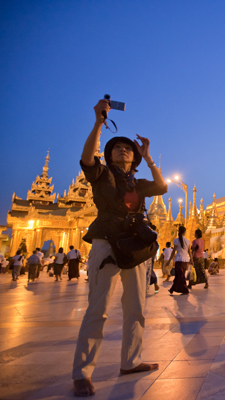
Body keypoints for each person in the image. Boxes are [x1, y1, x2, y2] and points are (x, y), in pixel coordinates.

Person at [72, 99, 167, 397]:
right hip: (106, 244)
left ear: (133, 157)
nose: (123, 150)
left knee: (136, 307)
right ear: (110, 155)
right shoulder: (101, 174)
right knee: (98, 310)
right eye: (117, 148)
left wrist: (149, 157)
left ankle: (131, 361)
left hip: (136, 246)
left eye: (128, 148)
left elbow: (162, 187)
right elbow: (87, 158)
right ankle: (82, 373)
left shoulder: (138, 182)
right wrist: (99, 122)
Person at [169, 226, 192, 295]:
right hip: (185, 261)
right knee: (180, 275)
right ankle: (173, 288)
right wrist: (191, 260)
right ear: (185, 232)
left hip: (178, 260)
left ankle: (184, 289)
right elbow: (189, 252)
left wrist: (169, 260)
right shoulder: (187, 241)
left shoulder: (176, 240)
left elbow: (173, 251)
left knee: (180, 275)